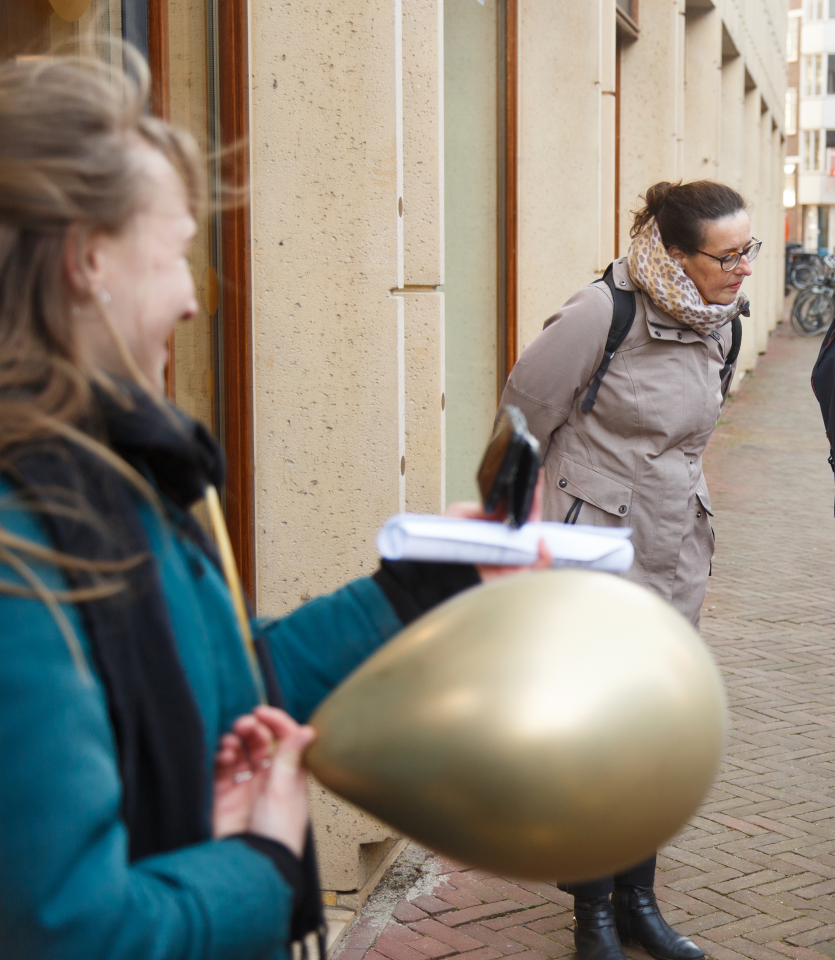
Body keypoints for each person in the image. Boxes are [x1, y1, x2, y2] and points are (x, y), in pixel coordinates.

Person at [0, 53, 544, 959]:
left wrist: (421, 586)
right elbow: (73, 933)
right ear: (86, 259)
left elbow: (227, 685)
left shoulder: (113, 478)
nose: (191, 301)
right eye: (175, 255)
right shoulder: (24, 550)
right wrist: (260, 865)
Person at [500, 179, 755, 960]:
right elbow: (522, 416)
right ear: (675, 255)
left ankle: (638, 898)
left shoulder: (721, 319)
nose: (744, 267)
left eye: (748, 250)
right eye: (727, 256)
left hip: (675, 548)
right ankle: (593, 915)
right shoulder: (601, 313)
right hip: (596, 551)